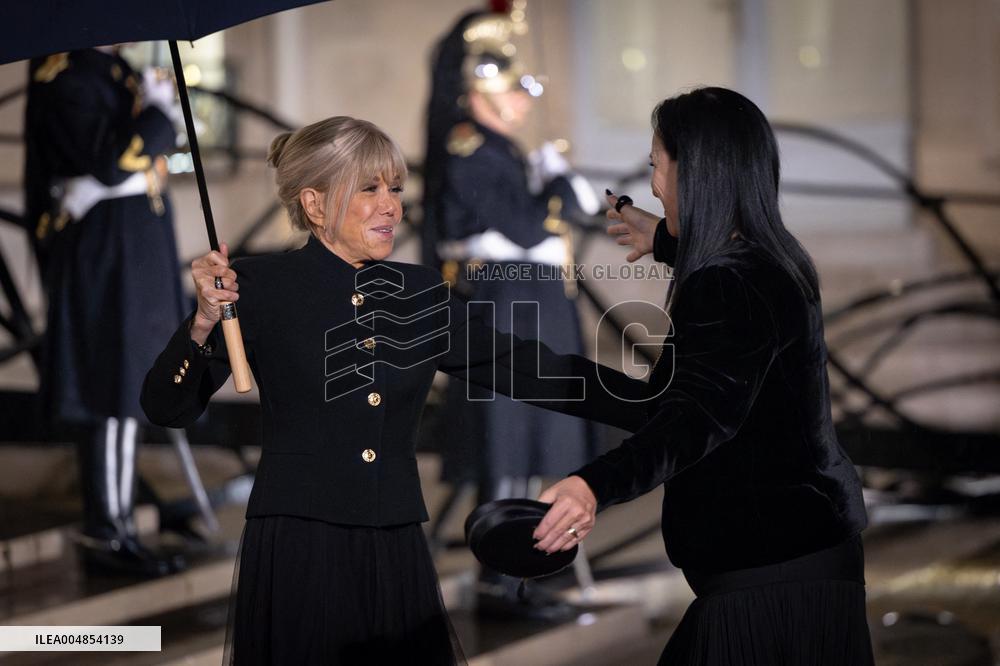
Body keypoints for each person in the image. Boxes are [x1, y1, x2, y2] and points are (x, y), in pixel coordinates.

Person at [139, 116, 647, 664]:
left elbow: (522, 366)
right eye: (370, 189)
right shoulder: (258, 286)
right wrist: (202, 323)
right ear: (314, 204)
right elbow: (166, 407)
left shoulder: (420, 290)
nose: (392, 206)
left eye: (397, 189)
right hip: (300, 547)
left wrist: (652, 402)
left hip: (396, 543)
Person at [533, 87, 875, 665]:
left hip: (770, 586)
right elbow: (687, 387)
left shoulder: (727, 283)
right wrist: (665, 237)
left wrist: (594, 484)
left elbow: (695, 417)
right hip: (799, 568)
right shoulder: (774, 259)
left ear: (697, 173)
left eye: (655, 167)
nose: (654, 185)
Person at [422, 10, 601, 614]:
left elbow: (579, 214)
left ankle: (521, 572)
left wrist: (555, 183)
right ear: (478, 94)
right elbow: (527, 229)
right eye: (513, 92)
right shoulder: (471, 149)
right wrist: (554, 186)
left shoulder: (500, 149)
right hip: (509, 302)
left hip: (531, 304)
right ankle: (501, 580)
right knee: (508, 443)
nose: (524, 105)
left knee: (533, 442)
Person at [25, 46, 187, 576]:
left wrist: (159, 113)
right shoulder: (68, 75)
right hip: (106, 254)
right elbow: (108, 161)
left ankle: (115, 526)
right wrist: (160, 116)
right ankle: (107, 534)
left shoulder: (113, 71)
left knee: (127, 389)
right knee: (114, 395)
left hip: (133, 253)